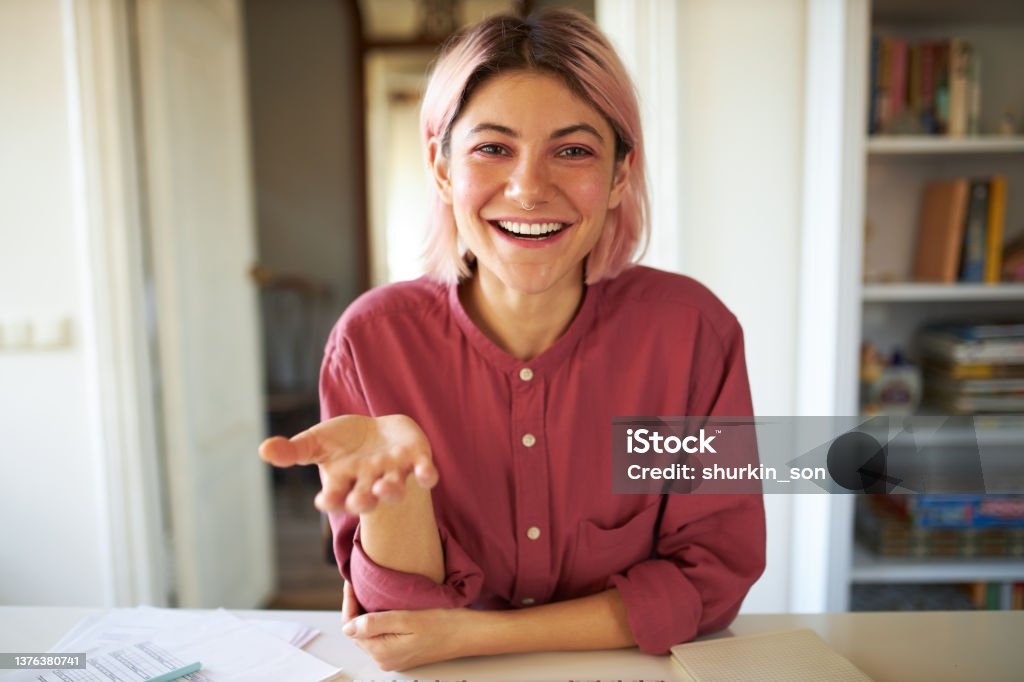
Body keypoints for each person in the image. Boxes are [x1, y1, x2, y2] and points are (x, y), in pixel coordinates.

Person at [260, 8, 765, 672]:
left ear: (619, 175)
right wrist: (400, 494)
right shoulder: (369, 342)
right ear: (441, 170)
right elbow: (398, 626)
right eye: (493, 148)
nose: (529, 188)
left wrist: (475, 636)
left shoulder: (695, 332)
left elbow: (713, 580)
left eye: (574, 150)